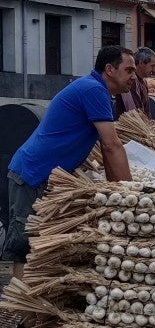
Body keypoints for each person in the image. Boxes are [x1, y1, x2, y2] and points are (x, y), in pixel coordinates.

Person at [3, 46, 134, 279]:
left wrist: (117, 188)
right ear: (110, 69)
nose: (133, 76)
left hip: (45, 174)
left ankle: (31, 302)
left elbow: (106, 147)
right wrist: (129, 194)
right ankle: (21, 308)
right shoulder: (93, 90)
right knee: (26, 244)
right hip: (34, 174)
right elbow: (111, 145)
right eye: (129, 70)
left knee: (41, 242)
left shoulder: (96, 90)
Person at [115, 46, 155, 119]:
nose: (154, 70)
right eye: (152, 66)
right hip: (131, 127)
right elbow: (133, 112)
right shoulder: (130, 81)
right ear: (141, 63)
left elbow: (146, 110)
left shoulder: (143, 81)